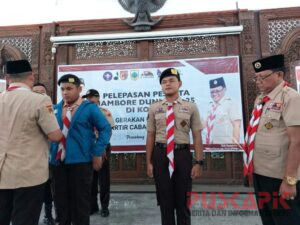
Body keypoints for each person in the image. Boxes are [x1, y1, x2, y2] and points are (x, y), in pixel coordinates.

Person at [0, 60, 63, 225]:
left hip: (2, 173)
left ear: (7, 78)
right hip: (28, 174)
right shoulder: (40, 100)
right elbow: (55, 135)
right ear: (31, 77)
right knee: (25, 219)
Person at [244, 54, 300, 225]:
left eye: (263, 77)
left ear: (279, 75)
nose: (259, 81)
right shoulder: (261, 99)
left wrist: (289, 180)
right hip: (261, 173)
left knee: (285, 220)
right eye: (256, 77)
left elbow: (296, 142)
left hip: (280, 176)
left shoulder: (290, 98)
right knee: (268, 219)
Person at [50, 74, 111, 225]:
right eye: (62, 89)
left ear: (79, 89)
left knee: (80, 206)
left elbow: (105, 129)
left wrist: (97, 152)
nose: (65, 92)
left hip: (81, 164)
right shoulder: (55, 108)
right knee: (60, 206)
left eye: (69, 88)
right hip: (58, 164)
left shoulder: (89, 108)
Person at [146, 68, 204, 225]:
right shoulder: (154, 108)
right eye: (164, 82)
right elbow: (150, 135)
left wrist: (199, 162)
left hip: (182, 155)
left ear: (180, 83)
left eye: (171, 81)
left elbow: (197, 135)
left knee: (183, 200)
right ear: (161, 87)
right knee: (165, 200)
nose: (167, 84)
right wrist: (149, 163)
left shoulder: (191, 107)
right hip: (160, 155)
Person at [82, 89, 115, 217]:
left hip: (102, 149)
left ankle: (105, 207)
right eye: (87, 97)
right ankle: (92, 206)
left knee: (104, 179)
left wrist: (101, 149)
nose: (89, 100)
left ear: (98, 98)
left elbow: (108, 131)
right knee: (90, 180)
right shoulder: (82, 112)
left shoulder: (104, 112)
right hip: (87, 149)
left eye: (91, 97)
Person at [32, 82, 56, 225]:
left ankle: (48, 214)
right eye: (36, 92)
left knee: (49, 188)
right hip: (32, 157)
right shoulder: (27, 110)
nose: (40, 94)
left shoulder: (57, 110)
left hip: (52, 157)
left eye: (42, 92)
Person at [205, 77, 242, 145]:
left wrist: (234, 146)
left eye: (217, 91)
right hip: (209, 146)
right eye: (212, 92)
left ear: (224, 89)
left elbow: (237, 126)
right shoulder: (210, 106)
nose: (214, 94)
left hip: (225, 146)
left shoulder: (231, 104)